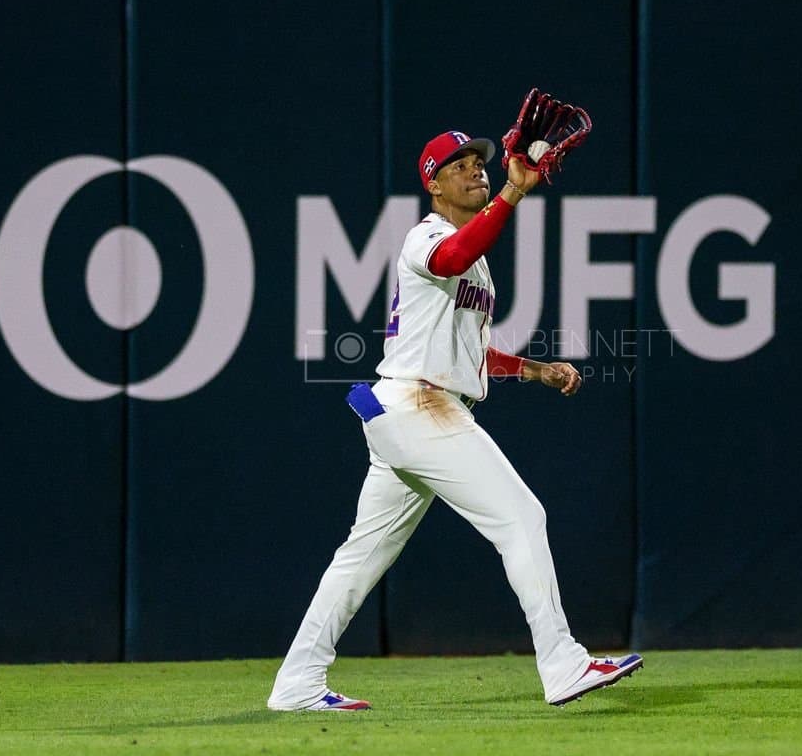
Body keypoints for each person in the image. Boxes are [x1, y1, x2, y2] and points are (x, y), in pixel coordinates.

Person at [268, 130, 642, 711]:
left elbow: (469, 353)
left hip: (405, 409)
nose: (476, 171)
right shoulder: (428, 238)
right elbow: (453, 257)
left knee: (361, 556)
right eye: (459, 165)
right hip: (418, 406)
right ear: (432, 183)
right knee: (521, 515)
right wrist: (515, 195)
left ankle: (296, 683)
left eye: (479, 164)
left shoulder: (474, 260)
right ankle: (564, 663)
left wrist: (536, 370)